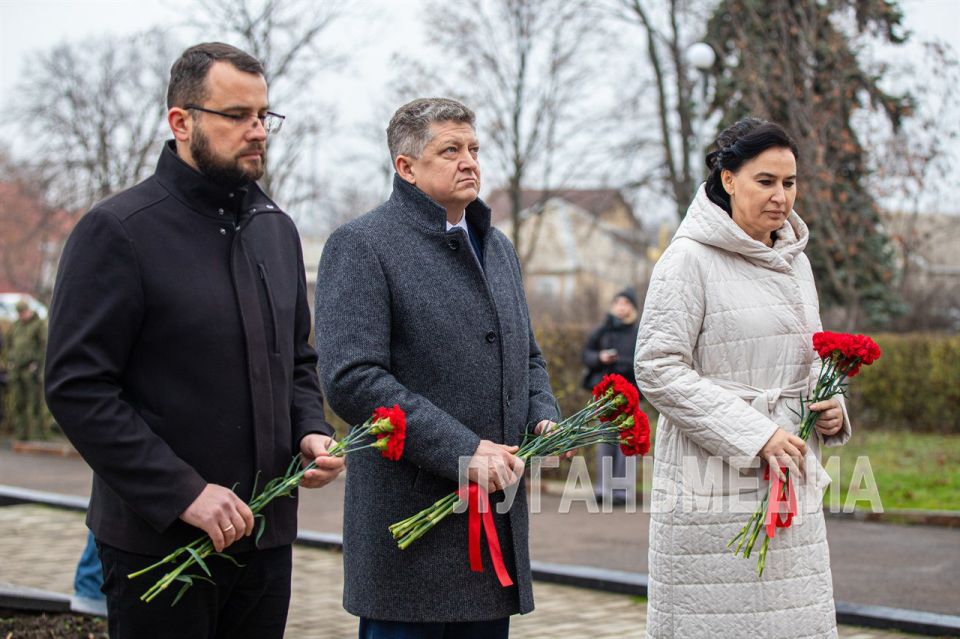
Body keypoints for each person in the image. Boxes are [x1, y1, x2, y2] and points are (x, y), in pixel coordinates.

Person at [44, 42, 344, 638]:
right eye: (237, 116)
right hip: (158, 544)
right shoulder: (118, 231)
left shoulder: (277, 230)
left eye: (263, 115)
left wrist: (309, 426)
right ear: (181, 122)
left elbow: (298, 360)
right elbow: (76, 387)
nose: (257, 130)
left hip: (265, 539)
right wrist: (183, 493)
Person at [315, 97, 559, 639]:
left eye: (473, 148)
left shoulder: (498, 248)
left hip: (491, 528)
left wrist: (543, 413)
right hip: (411, 540)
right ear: (406, 167)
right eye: (450, 150)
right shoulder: (361, 245)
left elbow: (528, 355)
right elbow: (352, 379)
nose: (469, 161)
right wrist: (463, 450)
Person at [634, 118, 848, 638]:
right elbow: (656, 367)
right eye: (765, 181)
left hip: (791, 468)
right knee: (720, 620)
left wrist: (834, 405)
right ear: (728, 179)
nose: (780, 197)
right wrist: (756, 435)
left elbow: (815, 352)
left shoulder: (796, 262)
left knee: (792, 619)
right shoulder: (687, 259)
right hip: (712, 481)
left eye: (789, 183)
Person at [581, 288, 640, 505]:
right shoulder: (602, 331)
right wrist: (600, 357)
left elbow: (639, 362)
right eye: (618, 302)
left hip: (629, 394)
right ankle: (603, 489)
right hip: (605, 394)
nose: (621, 307)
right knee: (604, 440)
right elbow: (586, 354)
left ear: (632, 308)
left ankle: (622, 491)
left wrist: (618, 362)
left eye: (626, 303)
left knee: (626, 443)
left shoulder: (638, 332)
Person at [6, 299, 48, 441]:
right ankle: (21, 434)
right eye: (19, 313)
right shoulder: (16, 326)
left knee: (34, 403)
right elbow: (9, 345)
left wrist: (37, 364)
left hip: (31, 368)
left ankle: (36, 434)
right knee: (18, 402)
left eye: (23, 312)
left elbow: (44, 347)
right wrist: (10, 361)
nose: (22, 315)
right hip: (17, 368)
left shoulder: (38, 325)